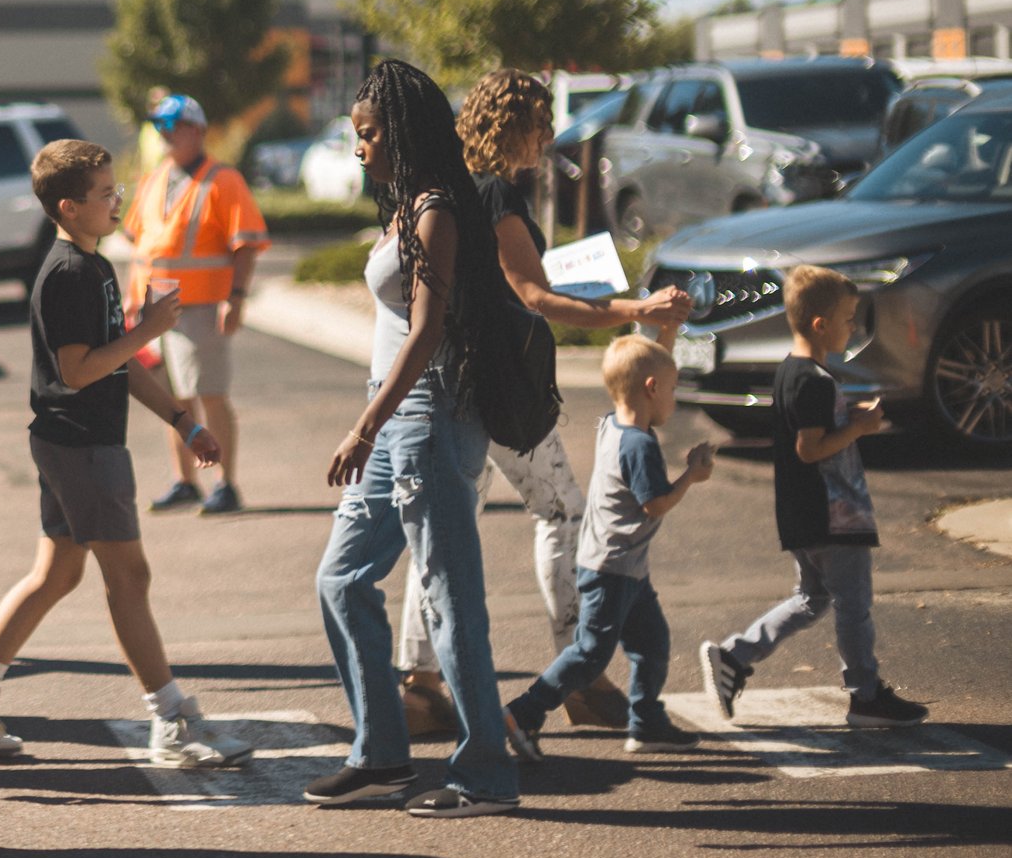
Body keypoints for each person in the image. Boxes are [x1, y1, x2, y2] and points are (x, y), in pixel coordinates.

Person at [0, 140, 250, 767]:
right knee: (129, 578)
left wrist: (185, 423)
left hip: (74, 442)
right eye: (106, 194)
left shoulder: (94, 265)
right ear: (70, 207)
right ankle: (170, 721)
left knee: (56, 574)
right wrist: (149, 330)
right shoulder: (70, 273)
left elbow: (118, 362)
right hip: (80, 444)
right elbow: (79, 372)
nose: (118, 202)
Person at [395, 70, 693, 738]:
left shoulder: (447, 187)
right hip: (503, 387)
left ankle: (418, 682)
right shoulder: (497, 190)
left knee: (445, 526)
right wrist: (633, 308)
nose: (547, 138)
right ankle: (578, 672)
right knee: (562, 511)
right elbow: (532, 293)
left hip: (454, 380)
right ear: (514, 126)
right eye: (540, 124)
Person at [306, 60, 522, 818]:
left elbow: (426, 330)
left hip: (426, 418)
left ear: (400, 130)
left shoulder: (436, 210)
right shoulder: (405, 205)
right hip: (392, 414)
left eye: (368, 133)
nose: (358, 145)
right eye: (355, 133)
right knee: (340, 579)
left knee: (449, 598)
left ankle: (486, 773)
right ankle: (383, 755)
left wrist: (365, 426)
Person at [697, 266, 929, 729]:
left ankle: (735, 657)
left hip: (807, 515)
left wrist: (850, 419)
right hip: (834, 516)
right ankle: (865, 696)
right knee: (853, 606)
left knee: (811, 598)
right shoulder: (815, 381)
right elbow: (811, 448)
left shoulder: (793, 371)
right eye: (847, 318)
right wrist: (860, 428)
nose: (852, 326)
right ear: (821, 324)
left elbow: (812, 431)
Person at [503, 335, 714, 763]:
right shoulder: (641, 445)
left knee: (651, 642)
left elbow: (640, 381)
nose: (675, 399)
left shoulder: (612, 423)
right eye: (672, 389)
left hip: (623, 565)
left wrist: (661, 338)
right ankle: (521, 713)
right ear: (653, 388)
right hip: (612, 568)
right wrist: (691, 474)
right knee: (589, 653)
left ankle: (646, 722)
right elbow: (655, 504)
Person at [124, 93, 267, 515]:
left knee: (210, 393)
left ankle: (226, 484)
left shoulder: (224, 180)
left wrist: (235, 298)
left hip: (201, 305)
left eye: (174, 127)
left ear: (198, 131)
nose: (165, 135)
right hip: (154, 310)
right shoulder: (154, 179)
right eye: (160, 128)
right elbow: (140, 239)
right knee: (174, 401)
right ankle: (185, 480)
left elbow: (246, 245)